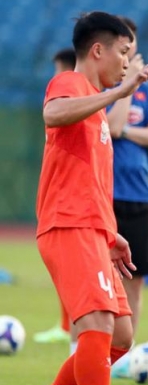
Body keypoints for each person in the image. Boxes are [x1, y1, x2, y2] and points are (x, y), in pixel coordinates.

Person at [16, 11, 148, 385]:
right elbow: (52, 114)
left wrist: (111, 233)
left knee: (120, 337)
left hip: (92, 229)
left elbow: (90, 180)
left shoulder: (95, 106)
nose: (127, 62)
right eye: (123, 51)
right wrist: (120, 91)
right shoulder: (71, 85)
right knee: (96, 324)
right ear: (97, 50)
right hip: (66, 225)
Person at [106, 16, 148, 361]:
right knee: (100, 278)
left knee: (136, 279)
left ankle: (123, 355)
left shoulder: (144, 90)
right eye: (124, 48)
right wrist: (127, 87)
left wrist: (130, 130)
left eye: (133, 47)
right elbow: (112, 127)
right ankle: (87, 348)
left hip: (141, 196)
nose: (130, 55)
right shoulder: (105, 88)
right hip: (108, 196)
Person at [33, 48, 78, 346]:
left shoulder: (68, 88)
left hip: (71, 209)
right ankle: (67, 329)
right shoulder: (70, 100)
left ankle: (70, 332)